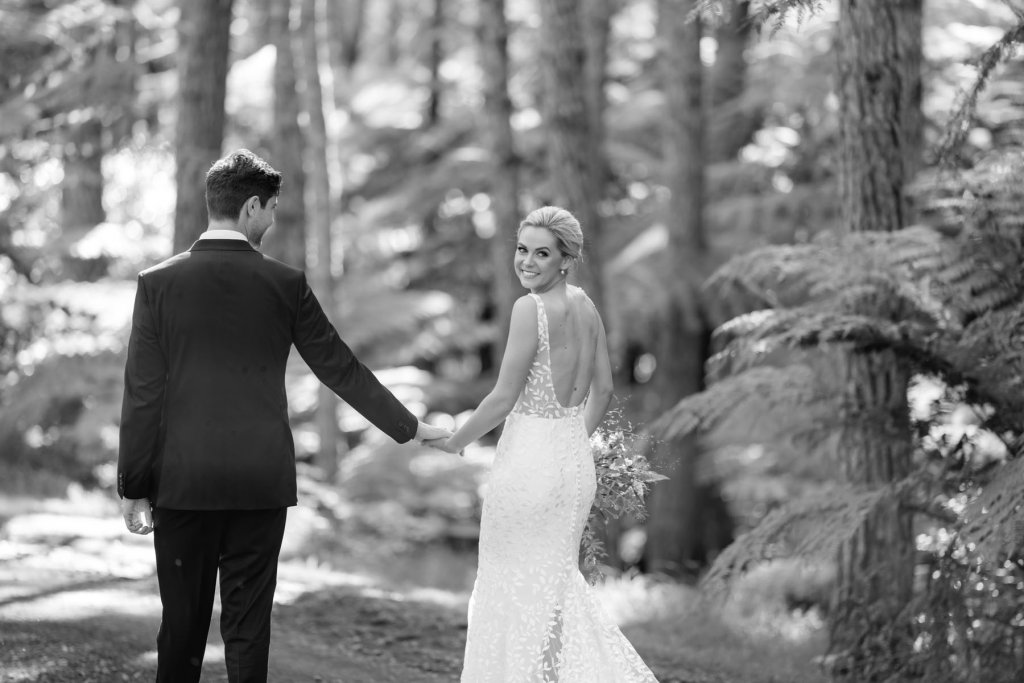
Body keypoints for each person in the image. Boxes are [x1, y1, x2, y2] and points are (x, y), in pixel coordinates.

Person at [116, 148, 450, 683]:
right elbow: (340, 368)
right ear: (252, 207)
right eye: (271, 209)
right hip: (259, 481)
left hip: (182, 481)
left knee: (180, 629)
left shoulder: (158, 283)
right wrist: (412, 428)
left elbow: (142, 394)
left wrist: (133, 483)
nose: (271, 220)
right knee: (249, 632)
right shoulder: (284, 284)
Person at [429, 206, 658, 681]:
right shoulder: (586, 306)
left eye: (542, 253)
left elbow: (502, 399)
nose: (527, 262)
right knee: (553, 591)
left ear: (566, 260)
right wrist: (572, 442)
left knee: (508, 587)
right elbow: (605, 391)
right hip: (572, 465)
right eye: (521, 249)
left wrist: (455, 442)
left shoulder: (528, 309)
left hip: (528, 467)